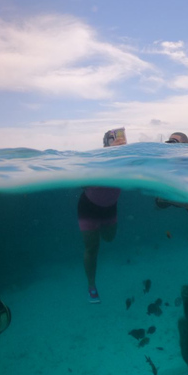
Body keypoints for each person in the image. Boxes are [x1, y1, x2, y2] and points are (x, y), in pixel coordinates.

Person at [79, 128, 126, 303]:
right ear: (106, 145)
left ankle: (94, 232)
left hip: (109, 208)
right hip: (88, 207)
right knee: (92, 248)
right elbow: (82, 182)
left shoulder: (128, 160)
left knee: (109, 238)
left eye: (120, 139)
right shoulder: (97, 160)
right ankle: (91, 285)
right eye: (113, 140)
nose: (118, 142)